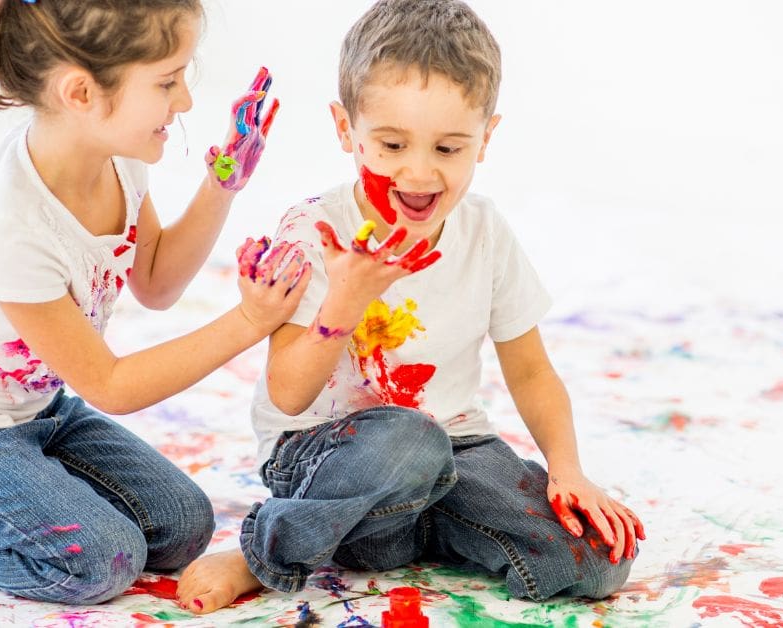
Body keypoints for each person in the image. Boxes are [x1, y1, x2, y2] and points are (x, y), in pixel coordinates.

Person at [177, 0, 644, 613]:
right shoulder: (315, 232)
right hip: (329, 462)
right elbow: (288, 394)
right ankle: (268, 549)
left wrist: (568, 471)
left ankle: (417, 531)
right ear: (346, 130)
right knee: (408, 440)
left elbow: (530, 369)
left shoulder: (484, 230)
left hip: (454, 456)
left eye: (449, 149)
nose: (419, 173)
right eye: (392, 144)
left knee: (599, 558)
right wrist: (346, 298)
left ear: (487, 138)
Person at [0, 0, 309, 605]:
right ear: (81, 93)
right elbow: (113, 385)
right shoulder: (7, 225)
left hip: (36, 412)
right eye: (168, 81)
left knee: (182, 527)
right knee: (97, 563)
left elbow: (156, 281)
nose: (186, 102)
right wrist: (250, 320)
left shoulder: (116, 161)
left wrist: (224, 180)